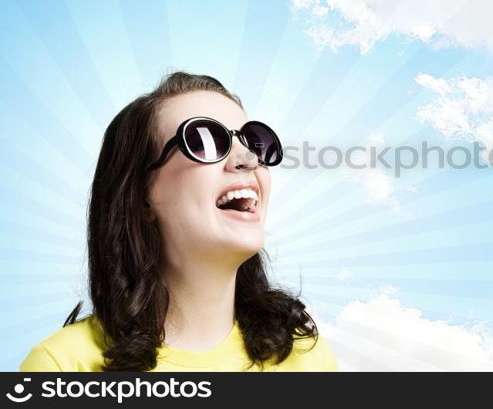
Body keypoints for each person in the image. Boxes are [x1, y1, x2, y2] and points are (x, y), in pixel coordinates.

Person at [19, 71, 337, 372]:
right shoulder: (62, 366)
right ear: (142, 196)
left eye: (253, 141)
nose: (248, 159)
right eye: (204, 140)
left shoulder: (305, 358)